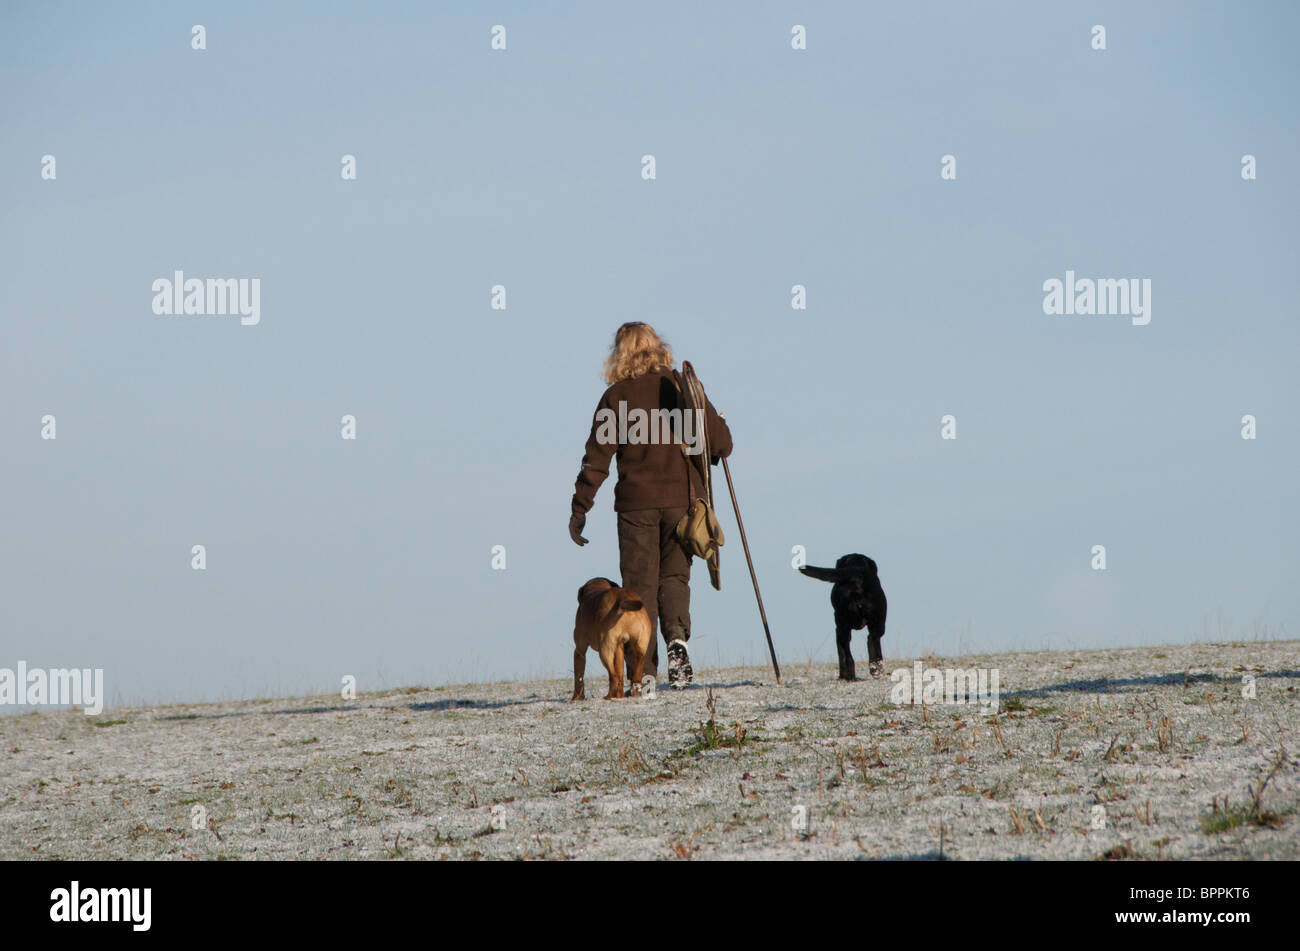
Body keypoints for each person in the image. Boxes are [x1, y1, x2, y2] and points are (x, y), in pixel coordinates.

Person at [569, 322, 733, 688]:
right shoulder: (682, 387)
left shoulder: (616, 398)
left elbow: (596, 459)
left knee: (639, 588)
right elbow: (721, 445)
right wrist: (714, 422)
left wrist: (580, 509)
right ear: (658, 347)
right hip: (682, 504)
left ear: (619, 355)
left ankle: (643, 674)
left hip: (635, 507)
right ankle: (677, 641)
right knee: (675, 577)